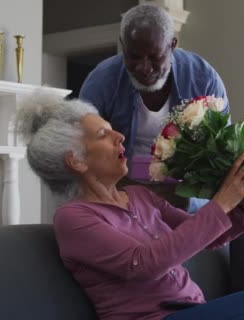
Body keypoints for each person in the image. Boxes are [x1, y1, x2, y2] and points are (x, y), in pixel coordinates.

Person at [15, 94, 244, 320]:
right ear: (77, 160)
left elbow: (209, 236)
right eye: (103, 135)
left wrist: (242, 202)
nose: (120, 136)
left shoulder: (139, 196)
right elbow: (144, 263)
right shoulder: (74, 219)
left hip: (193, 311)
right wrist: (222, 200)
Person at [79, 4, 227, 212]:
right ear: (122, 45)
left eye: (155, 57)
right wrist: (124, 196)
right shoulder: (102, 82)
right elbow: (84, 153)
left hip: (186, 199)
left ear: (172, 45)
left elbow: (221, 153)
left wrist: (182, 198)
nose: (144, 67)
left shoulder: (203, 79)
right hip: (122, 198)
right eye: (134, 57)